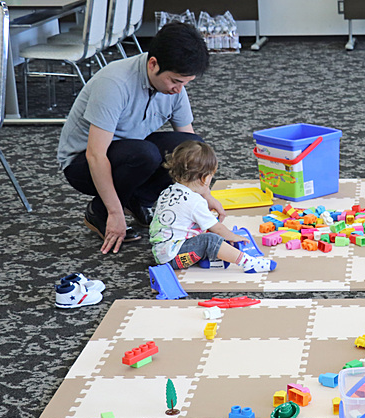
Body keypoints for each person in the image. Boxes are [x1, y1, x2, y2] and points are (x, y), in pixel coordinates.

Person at [57, 22, 227, 254]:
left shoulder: (174, 88)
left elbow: (189, 144)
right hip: (83, 164)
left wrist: (205, 195)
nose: (179, 90)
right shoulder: (114, 84)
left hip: (129, 152)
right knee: (145, 155)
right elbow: (95, 155)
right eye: (175, 81)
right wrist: (115, 213)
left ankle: (136, 201)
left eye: (186, 83)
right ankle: (101, 211)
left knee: (188, 149)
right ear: (153, 63)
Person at [150, 140, 276, 273]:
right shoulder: (194, 201)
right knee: (211, 239)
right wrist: (232, 236)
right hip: (174, 258)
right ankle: (248, 262)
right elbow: (217, 228)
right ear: (205, 179)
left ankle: (210, 260)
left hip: (161, 252)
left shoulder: (169, 191)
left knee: (205, 234)